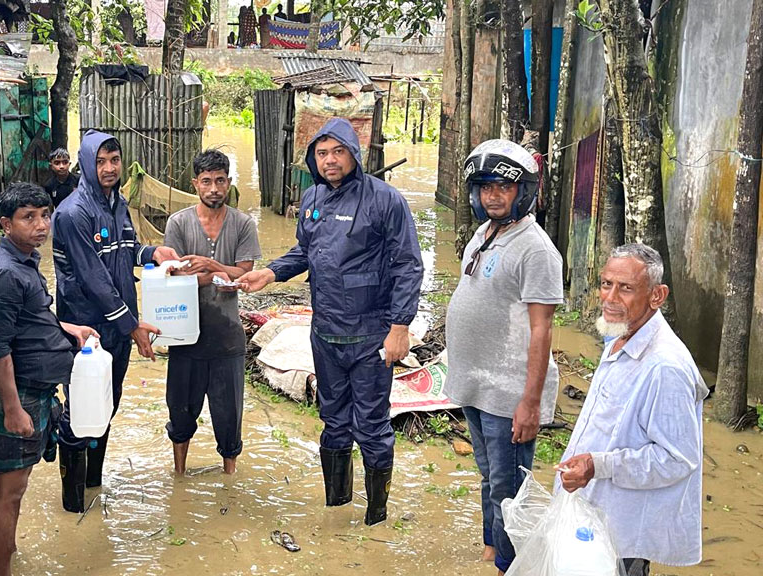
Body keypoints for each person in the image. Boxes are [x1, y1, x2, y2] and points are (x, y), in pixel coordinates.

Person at [238, 118, 423, 525]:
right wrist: (269, 273)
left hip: (372, 335)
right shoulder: (312, 199)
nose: (330, 161)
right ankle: (337, 509)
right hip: (326, 334)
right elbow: (305, 251)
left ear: (353, 153)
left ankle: (376, 516)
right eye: (321, 153)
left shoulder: (384, 200)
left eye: (338, 151)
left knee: (372, 426)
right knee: (333, 422)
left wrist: (399, 327)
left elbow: (409, 264)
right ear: (313, 159)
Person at [443, 138, 564, 573]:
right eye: (485, 186)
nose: (492, 195)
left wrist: (530, 402)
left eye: (503, 187)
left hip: (508, 393)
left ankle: (510, 566)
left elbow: (541, 330)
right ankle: (493, 549)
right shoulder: (484, 233)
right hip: (477, 385)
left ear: (523, 192)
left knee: (509, 488)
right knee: (489, 478)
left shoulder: (536, 250)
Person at [557, 243, 706, 576]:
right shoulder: (619, 336)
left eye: (625, 288)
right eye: (606, 284)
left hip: (621, 536)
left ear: (657, 296)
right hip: (592, 521)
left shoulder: (664, 367)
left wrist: (599, 466)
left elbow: (677, 460)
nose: (610, 298)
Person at [51, 130, 180, 512]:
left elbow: (122, 251)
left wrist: (152, 251)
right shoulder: (74, 213)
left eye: (115, 160)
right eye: (100, 161)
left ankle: (93, 485)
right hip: (85, 330)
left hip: (118, 325)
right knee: (81, 410)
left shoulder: (117, 203)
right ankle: (74, 503)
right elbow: (94, 279)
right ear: (87, 165)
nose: (109, 168)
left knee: (107, 403)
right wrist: (133, 325)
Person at [0, 183, 97, 575]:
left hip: (36, 391)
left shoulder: (24, 262)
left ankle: (8, 553)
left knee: (19, 485)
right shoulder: (3, 275)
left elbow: (30, 323)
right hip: (19, 394)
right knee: (9, 492)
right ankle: (0, 572)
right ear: (5, 224)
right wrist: (13, 410)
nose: (41, 224)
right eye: (28, 217)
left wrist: (68, 328)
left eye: (45, 215)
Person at [162, 150, 262, 476]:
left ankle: (229, 478)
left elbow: (246, 272)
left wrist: (210, 266)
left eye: (220, 180)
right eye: (207, 181)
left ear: (229, 183)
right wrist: (221, 274)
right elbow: (173, 276)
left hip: (228, 338)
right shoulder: (178, 223)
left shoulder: (243, 224)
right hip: (185, 335)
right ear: (195, 184)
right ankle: (179, 474)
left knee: (229, 417)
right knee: (180, 413)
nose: (214, 188)